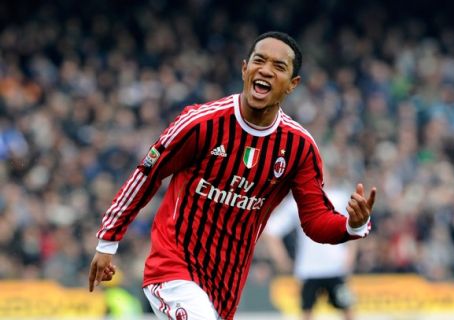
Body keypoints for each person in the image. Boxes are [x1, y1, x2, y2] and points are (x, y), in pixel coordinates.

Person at [88, 31, 376, 320]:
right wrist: (108, 240)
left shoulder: (299, 147)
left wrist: (351, 225)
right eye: (259, 61)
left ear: (292, 84)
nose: (265, 70)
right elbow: (146, 175)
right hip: (173, 267)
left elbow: (315, 220)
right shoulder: (200, 123)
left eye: (279, 66)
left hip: (226, 285)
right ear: (244, 69)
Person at [263, 183, 358, 320]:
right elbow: (271, 230)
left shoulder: (339, 197)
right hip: (309, 269)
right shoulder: (296, 202)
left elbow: (354, 225)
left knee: (348, 309)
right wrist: (281, 258)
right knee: (307, 312)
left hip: (336, 268)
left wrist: (351, 255)